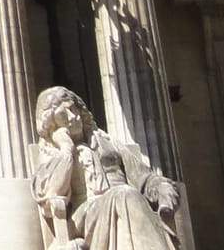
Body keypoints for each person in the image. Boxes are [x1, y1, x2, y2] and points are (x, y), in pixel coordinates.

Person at [31, 86, 180, 250]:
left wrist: (162, 187)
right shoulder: (51, 152)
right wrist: (67, 149)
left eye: (73, 109)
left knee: (126, 196)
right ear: (52, 124)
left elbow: (144, 178)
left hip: (125, 201)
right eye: (63, 116)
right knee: (125, 194)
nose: (73, 117)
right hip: (85, 215)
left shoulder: (106, 140)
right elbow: (49, 196)